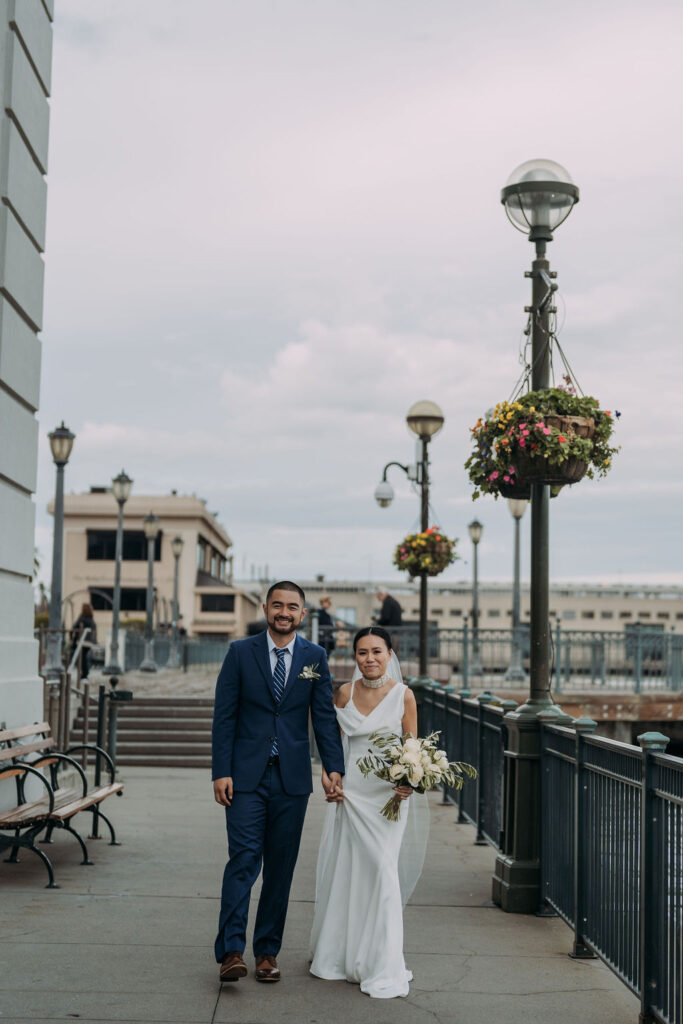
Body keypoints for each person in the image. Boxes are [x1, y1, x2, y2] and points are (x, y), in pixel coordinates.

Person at [212, 581, 345, 985]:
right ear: (266, 608)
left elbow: (323, 716)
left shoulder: (315, 657)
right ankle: (232, 951)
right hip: (245, 778)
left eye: (292, 607)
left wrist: (332, 766)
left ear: (303, 614)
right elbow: (224, 715)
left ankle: (267, 951)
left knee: (281, 869)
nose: (284, 612)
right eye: (277, 605)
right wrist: (221, 770)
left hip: (292, 779)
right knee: (243, 860)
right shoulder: (239, 653)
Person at [309, 626, 427, 999]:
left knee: (382, 870)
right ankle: (340, 955)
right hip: (353, 793)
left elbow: (413, 747)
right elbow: (331, 743)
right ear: (355, 657)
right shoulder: (344, 692)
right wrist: (330, 776)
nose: (370, 658)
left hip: (387, 796)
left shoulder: (404, 696)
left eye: (377, 651)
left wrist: (410, 780)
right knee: (349, 868)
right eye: (362, 652)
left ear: (390, 655)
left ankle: (382, 962)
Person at [69, 602, 97, 677]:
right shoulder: (91, 619)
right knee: (84, 657)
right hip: (89, 642)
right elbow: (94, 631)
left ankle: (84, 674)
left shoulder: (82, 617)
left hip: (81, 641)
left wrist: (71, 637)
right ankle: (85, 673)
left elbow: (74, 627)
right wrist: (94, 641)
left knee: (81, 658)